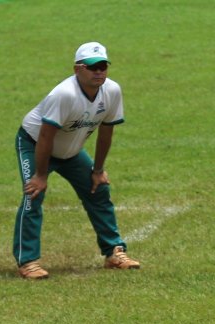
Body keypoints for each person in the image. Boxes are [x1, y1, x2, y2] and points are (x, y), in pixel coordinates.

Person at [13, 41, 141, 280]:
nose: (99, 71)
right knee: (33, 194)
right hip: (35, 144)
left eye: (103, 66)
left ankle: (114, 253)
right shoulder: (64, 94)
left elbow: (106, 131)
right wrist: (40, 176)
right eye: (92, 67)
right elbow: (45, 136)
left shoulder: (112, 91)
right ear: (77, 69)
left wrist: (98, 169)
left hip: (70, 151)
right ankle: (28, 261)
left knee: (98, 188)